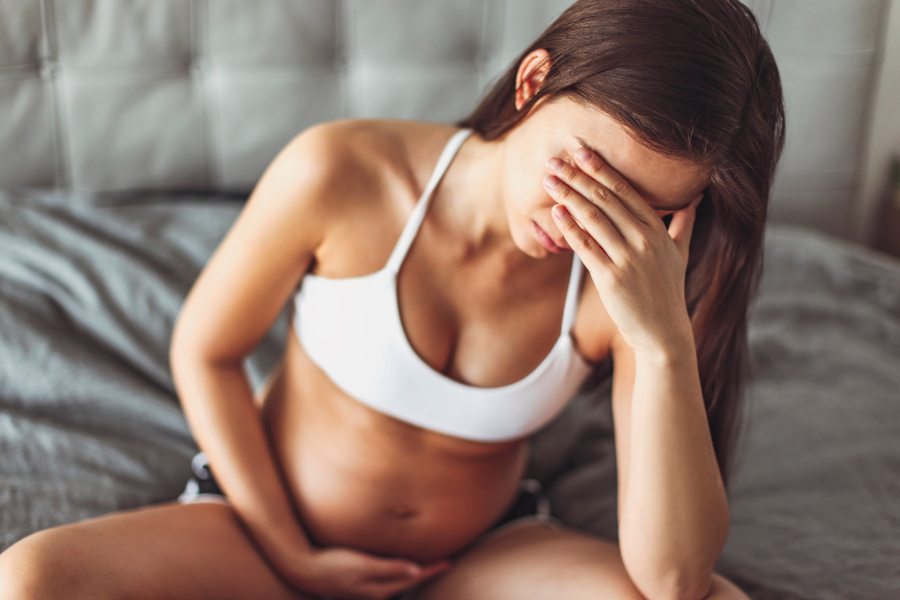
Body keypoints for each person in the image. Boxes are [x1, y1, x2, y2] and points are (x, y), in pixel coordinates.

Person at [0, 0, 784, 598]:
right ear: (534, 82)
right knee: (31, 577)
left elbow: (674, 578)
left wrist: (661, 339)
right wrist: (293, 554)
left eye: (643, 211)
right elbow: (205, 351)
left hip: (474, 561)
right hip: (267, 535)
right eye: (586, 177)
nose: (589, 226)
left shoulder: (642, 279)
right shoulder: (344, 173)